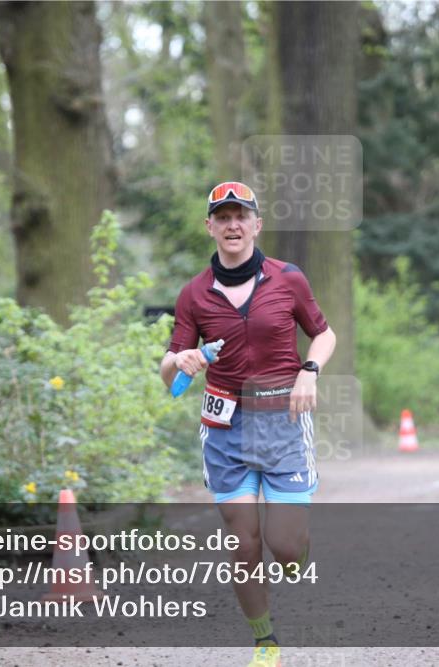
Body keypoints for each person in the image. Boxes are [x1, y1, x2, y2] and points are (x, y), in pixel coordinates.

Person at [160, 181, 336, 666]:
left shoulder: (288, 279)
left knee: (284, 547)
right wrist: (185, 360)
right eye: (223, 217)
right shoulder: (194, 294)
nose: (232, 225)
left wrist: (309, 371)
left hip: (282, 420)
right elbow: (167, 369)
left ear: (257, 224)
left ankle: (298, 553)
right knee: (243, 543)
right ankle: (265, 642)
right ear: (210, 227)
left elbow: (323, 334)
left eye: (242, 216)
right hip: (225, 429)